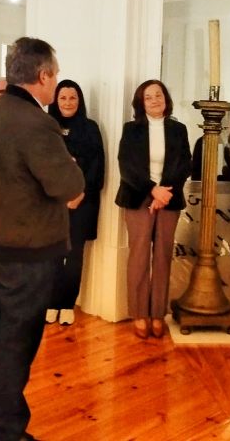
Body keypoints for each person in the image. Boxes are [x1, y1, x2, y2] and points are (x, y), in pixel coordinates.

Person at [0, 37, 84, 441]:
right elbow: (70, 187)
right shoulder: (36, 123)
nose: (56, 83)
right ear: (43, 75)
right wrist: (71, 165)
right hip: (26, 255)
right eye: (55, 75)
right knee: (15, 344)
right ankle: (6, 432)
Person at [115, 79, 191, 340]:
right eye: (148, 97)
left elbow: (185, 164)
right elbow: (127, 166)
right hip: (138, 197)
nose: (155, 100)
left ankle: (158, 313)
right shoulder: (131, 129)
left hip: (169, 197)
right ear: (141, 103)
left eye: (158, 95)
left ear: (166, 98)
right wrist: (152, 190)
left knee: (162, 256)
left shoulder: (178, 129)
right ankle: (139, 313)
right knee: (138, 255)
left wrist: (164, 192)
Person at [45, 79, 105, 326]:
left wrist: (79, 194)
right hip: (52, 203)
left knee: (74, 254)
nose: (68, 102)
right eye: (63, 98)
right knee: (52, 254)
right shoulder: (46, 127)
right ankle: (52, 302)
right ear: (55, 101)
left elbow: (97, 167)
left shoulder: (90, 128)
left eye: (72, 98)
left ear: (79, 101)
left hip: (83, 201)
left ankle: (67, 304)